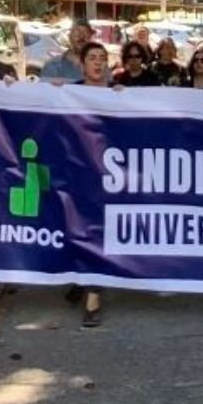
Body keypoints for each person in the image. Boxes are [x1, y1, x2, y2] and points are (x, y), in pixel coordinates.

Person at [73, 41, 119, 327]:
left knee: (98, 231)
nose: (98, 63)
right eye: (92, 58)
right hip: (75, 172)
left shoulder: (119, 95)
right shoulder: (67, 93)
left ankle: (93, 294)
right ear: (82, 64)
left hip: (107, 176)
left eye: (103, 58)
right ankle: (78, 277)